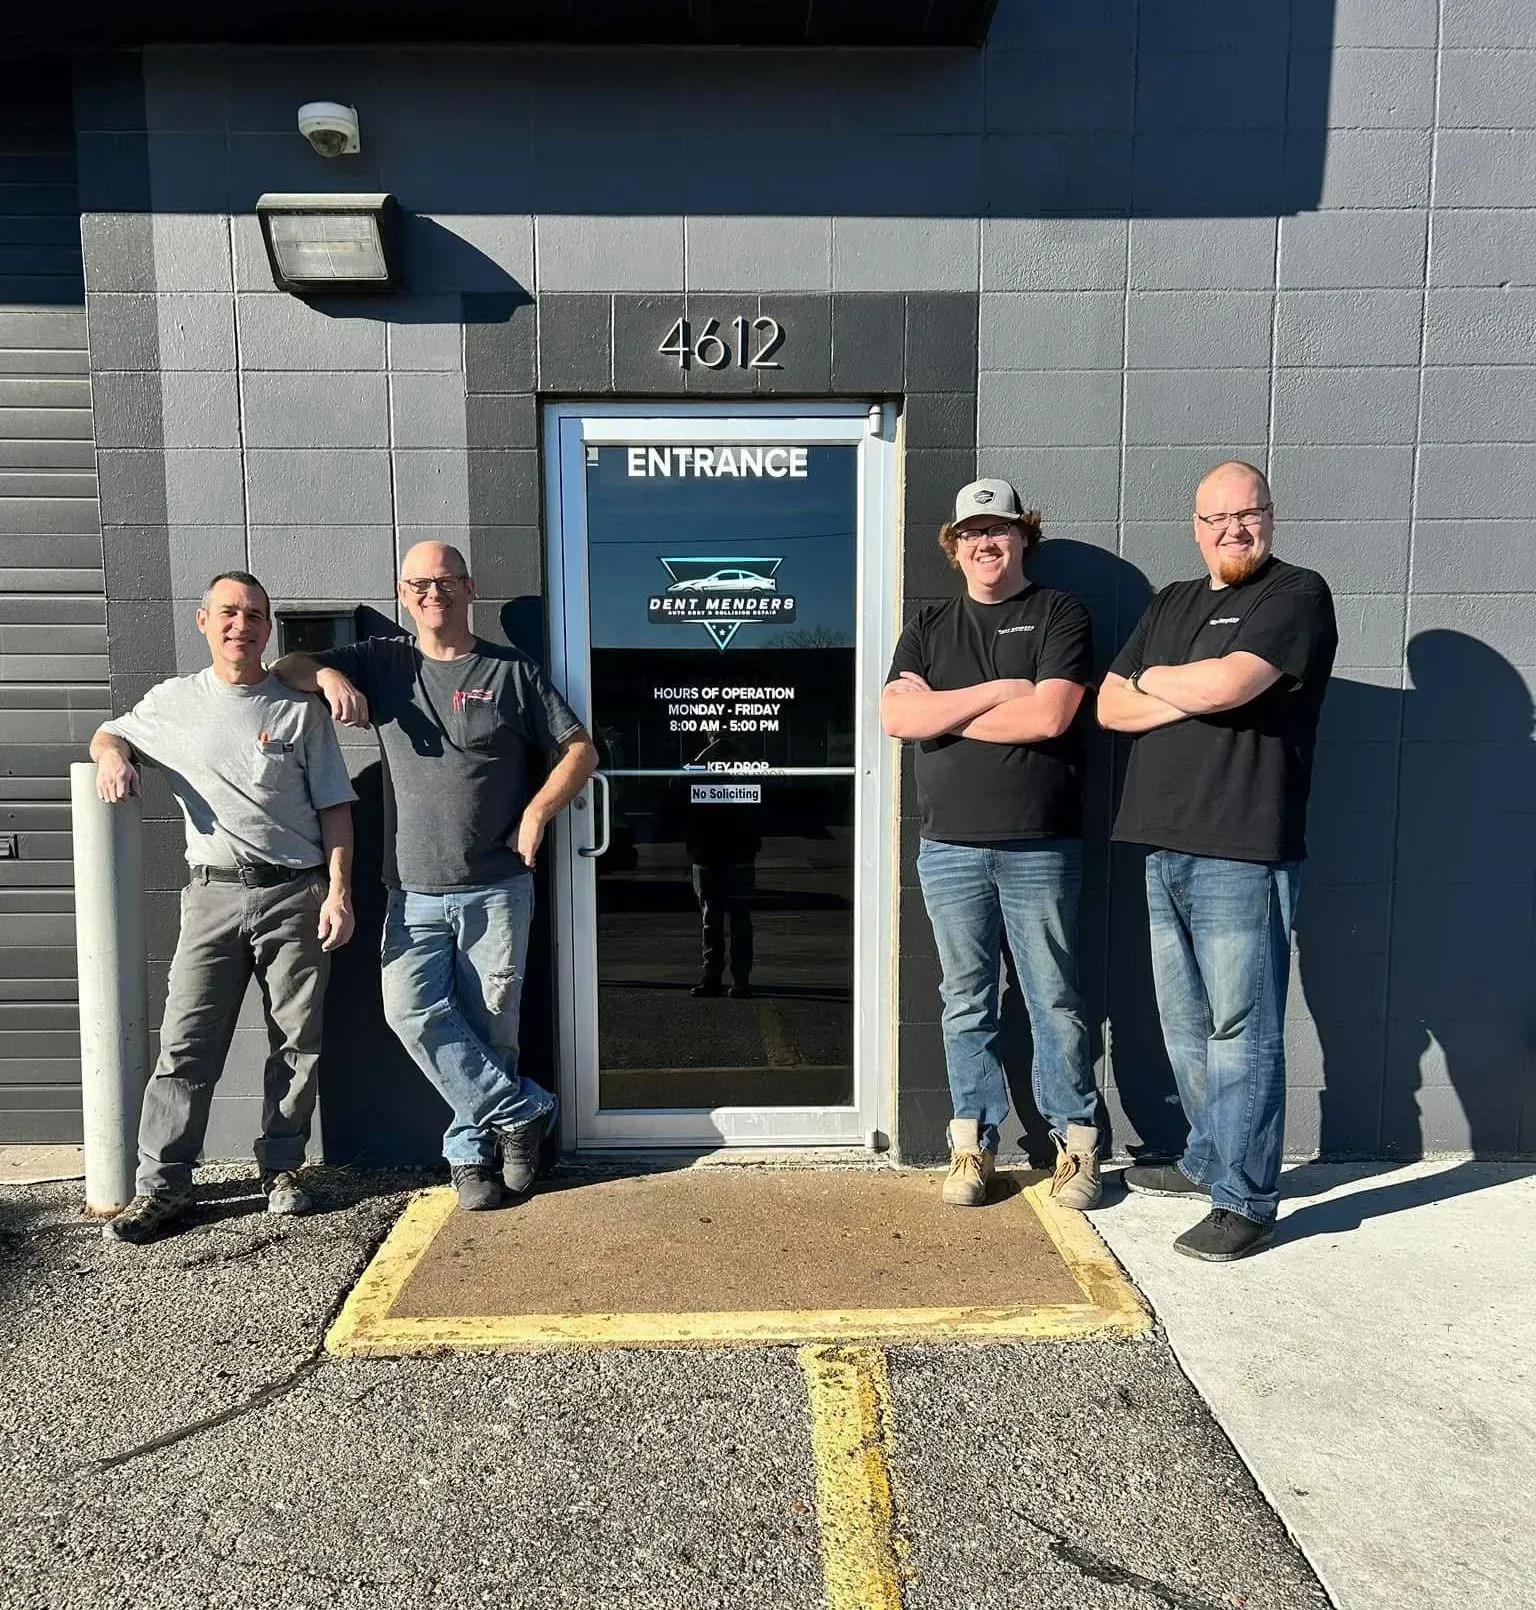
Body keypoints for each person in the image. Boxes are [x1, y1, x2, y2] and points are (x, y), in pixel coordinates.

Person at [271, 542, 598, 1211]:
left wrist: (539, 810)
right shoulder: (383, 661)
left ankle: (472, 1155)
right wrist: (330, 678)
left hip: (497, 888)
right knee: (410, 1012)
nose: (432, 594)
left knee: (492, 1029)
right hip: (412, 891)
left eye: (445, 581)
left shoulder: (510, 672)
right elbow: (285, 667)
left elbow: (580, 750)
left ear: (469, 588)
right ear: (402, 593)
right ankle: (522, 1109)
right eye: (419, 584)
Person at [1098, 461, 1338, 1263]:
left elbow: (1234, 684)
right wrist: (1185, 688)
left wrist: (1161, 681)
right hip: (1163, 842)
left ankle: (1246, 1197)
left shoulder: (1294, 595)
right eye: (1218, 518)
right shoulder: (1171, 601)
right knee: (1188, 1026)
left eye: (1249, 513)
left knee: (1243, 1028)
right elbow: (1107, 704)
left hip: (1243, 846)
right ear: (1196, 526)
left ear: (1270, 514)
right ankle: (1210, 1160)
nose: (1234, 528)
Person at [91, 572, 357, 1245]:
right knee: (186, 1045)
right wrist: (113, 757)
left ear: (269, 630)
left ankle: (283, 1170)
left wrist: (340, 893)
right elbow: (108, 733)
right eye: (231, 614)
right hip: (211, 895)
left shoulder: (299, 710)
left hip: (296, 894)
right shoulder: (173, 702)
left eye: (257, 616)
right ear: (204, 621)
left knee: (296, 1042)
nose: (244, 626)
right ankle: (163, 1188)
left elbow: (336, 810)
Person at [881, 478, 1102, 1211]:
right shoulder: (929, 625)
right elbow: (895, 717)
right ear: (955, 545)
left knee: (1055, 1001)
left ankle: (1077, 1146)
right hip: (949, 848)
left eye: (999, 529)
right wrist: (1001, 692)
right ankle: (972, 1145)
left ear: (1022, 536)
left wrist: (943, 711)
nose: (986, 543)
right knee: (965, 1003)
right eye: (971, 533)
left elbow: (1050, 718)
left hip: (1040, 845)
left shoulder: (1059, 613)